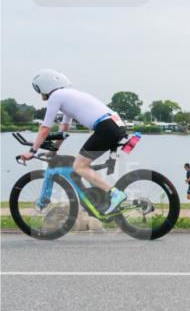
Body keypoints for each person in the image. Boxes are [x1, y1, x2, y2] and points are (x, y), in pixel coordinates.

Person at [19, 69, 128, 215]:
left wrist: (32, 151)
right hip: (116, 125)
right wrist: (54, 150)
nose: (41, 95)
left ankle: (114, 194)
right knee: (83, 165)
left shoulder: (56, 96)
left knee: (79, 166)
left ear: (44, 86)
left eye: (39, 91)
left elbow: (45, 128)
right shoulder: (69, 95)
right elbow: (64, 129)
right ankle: (99, 199)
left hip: (106, 127)